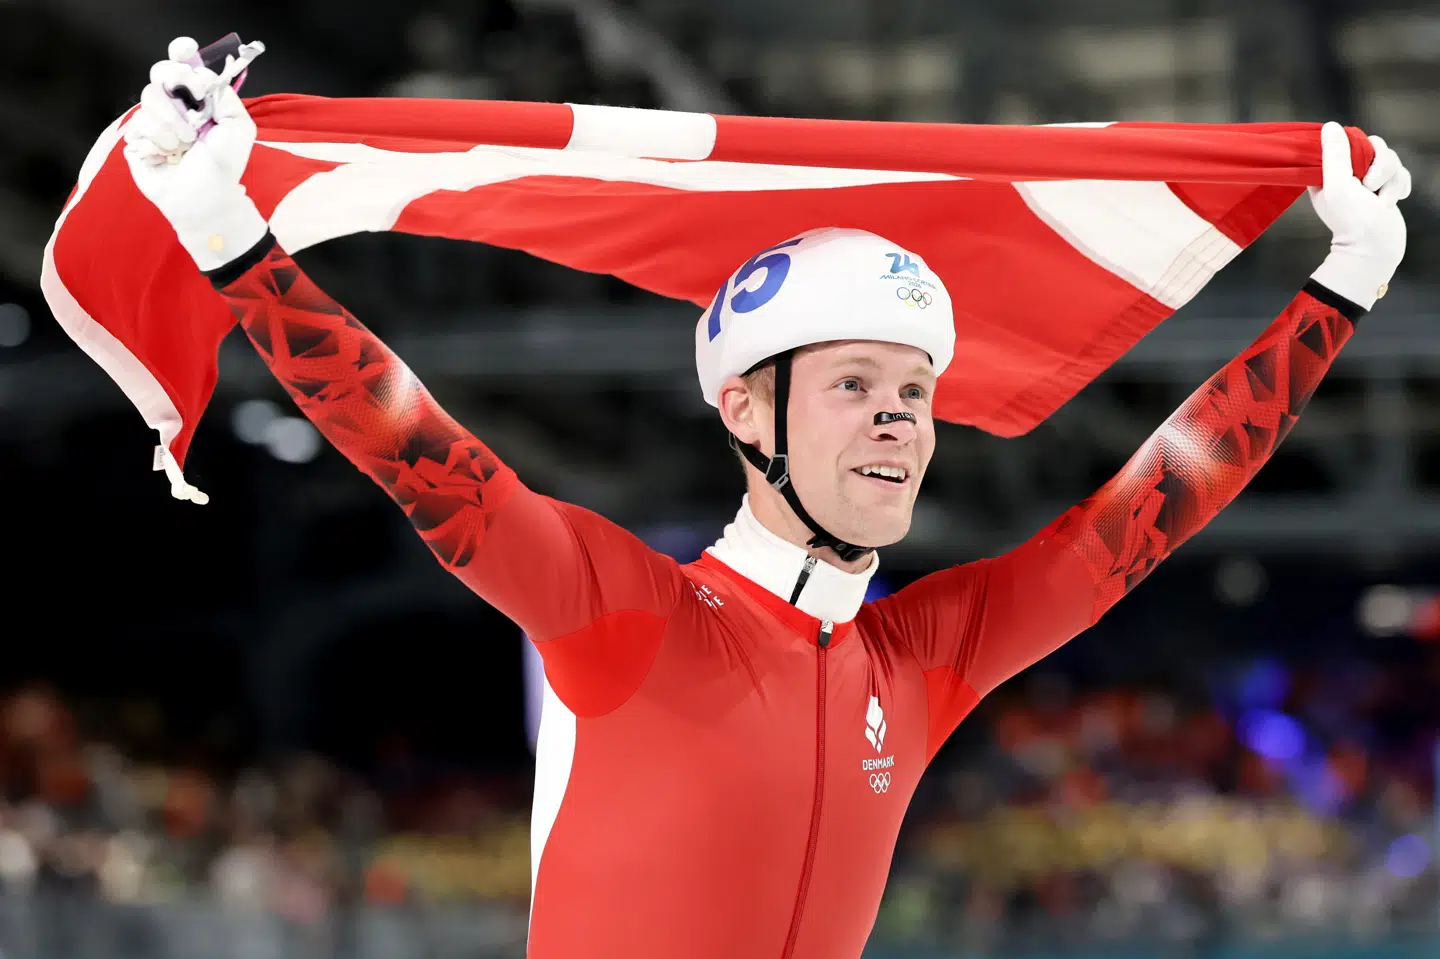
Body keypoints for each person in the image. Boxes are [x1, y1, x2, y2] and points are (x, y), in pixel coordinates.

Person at [121, 37, 1410, 959]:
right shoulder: (626, 614)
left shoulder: (920, 659)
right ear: (747, 410)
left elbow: (1148, 510)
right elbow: (416, 449)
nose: (902, 417)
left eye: (918, 390)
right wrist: (230, 235)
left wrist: (1337, 292)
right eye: (856, 383)